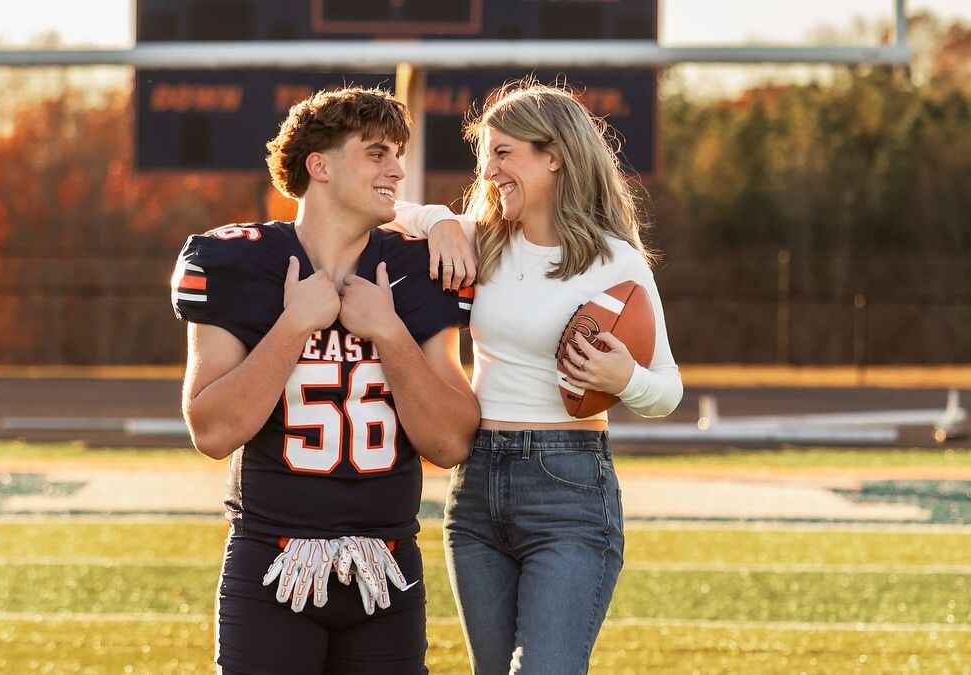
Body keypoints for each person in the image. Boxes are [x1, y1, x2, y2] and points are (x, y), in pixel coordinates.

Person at [172, 86, 480, 675]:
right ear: (320, 165)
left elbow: (451, 443)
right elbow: (211, 431)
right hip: (272, 564)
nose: (396, 169)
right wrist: (294, 326)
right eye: (377, 152)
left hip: (387, 567)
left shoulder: (418, 270)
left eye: (398, 154)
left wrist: (388, 334)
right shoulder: (237, 262)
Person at [389, 81, 683, 674]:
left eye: (503, 153)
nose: (488, 170)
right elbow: (365, 207)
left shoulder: (615, 259)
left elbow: (668, 391)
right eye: (484, 156)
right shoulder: (482, 241)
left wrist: (625, 377)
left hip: (569, 485)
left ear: (554, 157)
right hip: (476, 486)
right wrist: (438, 217)